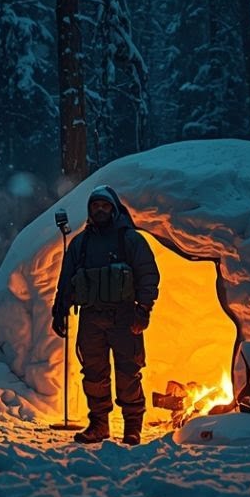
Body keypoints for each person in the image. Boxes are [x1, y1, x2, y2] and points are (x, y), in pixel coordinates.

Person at [51, 185, 159, 445]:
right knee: (94, 374)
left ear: (114, 208)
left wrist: (143, 309)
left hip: (124, 316)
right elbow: (66, 279)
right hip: (91, 317)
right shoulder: (81, 243)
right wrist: (59, 311)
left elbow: (148, 275)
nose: (100, 210)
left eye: (105, 205)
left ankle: (133, 426)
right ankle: (99, 425)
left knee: (128, 372)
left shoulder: (130, 240)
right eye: (95, 206)